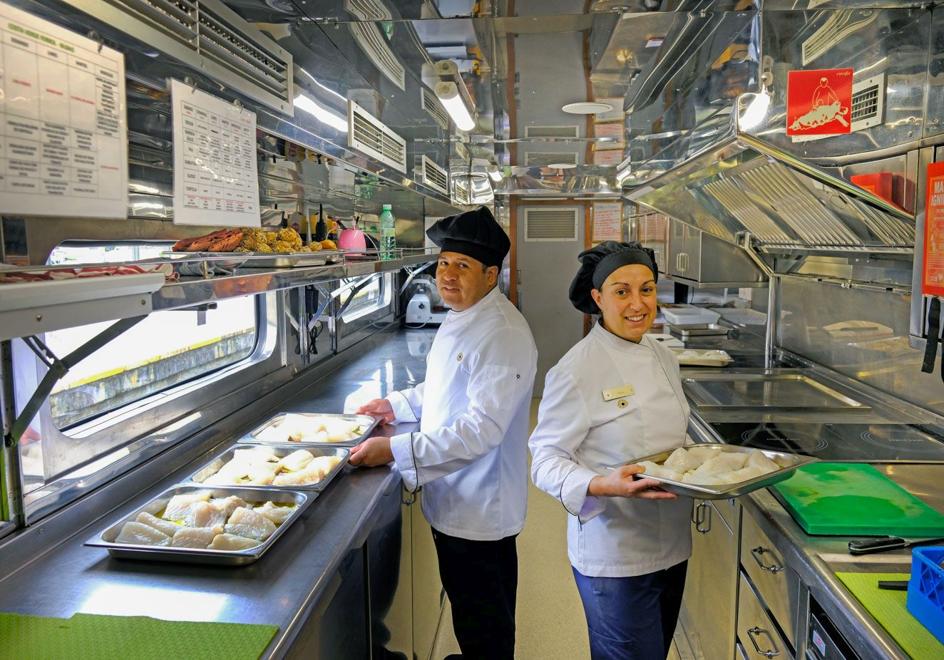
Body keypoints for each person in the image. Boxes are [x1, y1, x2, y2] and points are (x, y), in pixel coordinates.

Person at [350, 206, 538, 660]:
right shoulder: (465, 313)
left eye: (463, 266)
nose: (448, 275)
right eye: (444, 263)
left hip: (480, 509)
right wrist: (397, 404)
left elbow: (481, 430)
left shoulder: (503, 334)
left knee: (485, 622)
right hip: (456, 498)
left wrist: (393, 450)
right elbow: (446, 387)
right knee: (471, 611)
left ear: (491, 274)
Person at [529, 241, 692, 660]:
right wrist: (601, 484)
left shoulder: (664, 356)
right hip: (614, 554)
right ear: (598, 299)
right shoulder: (576, 368)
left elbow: (672, 439)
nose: (638, 304)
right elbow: (545, 461)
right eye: (622, 291)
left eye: (648, 289)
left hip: (673, 543)